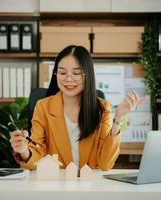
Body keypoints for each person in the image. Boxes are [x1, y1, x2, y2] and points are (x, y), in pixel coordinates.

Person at [10, 45, 147, 170]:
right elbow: (37, 154)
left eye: (76, 73)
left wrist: (118, 118)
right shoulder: (43, 107)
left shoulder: (103, 108)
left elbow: (105, 164)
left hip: (90, 186)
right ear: (56, 75)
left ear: (87, 75)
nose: (69, 79)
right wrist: (23, 150)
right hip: (57, 184)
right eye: (62, 73)